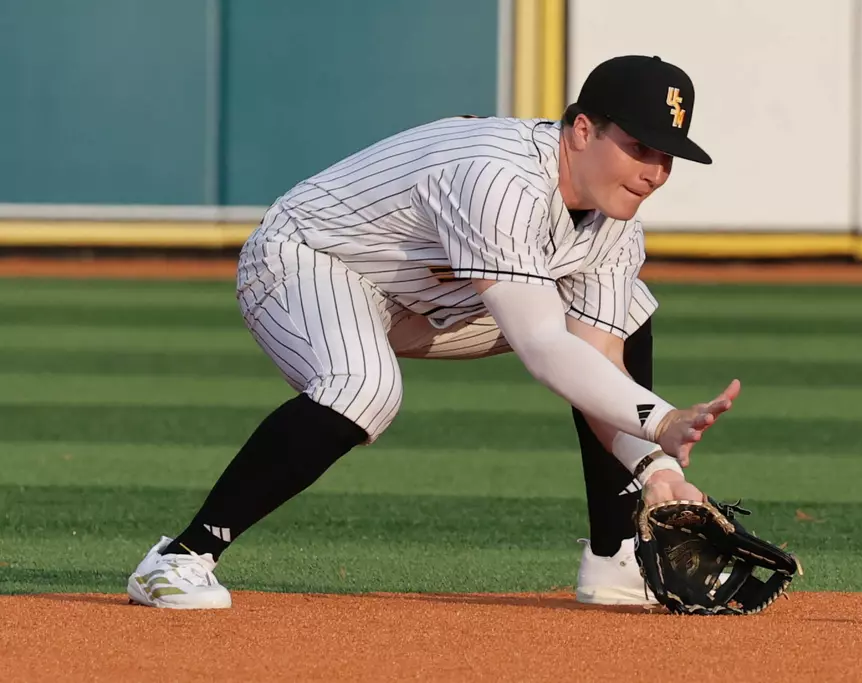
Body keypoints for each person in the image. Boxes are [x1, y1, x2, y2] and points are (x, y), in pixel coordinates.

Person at [126, 54, 739, 610]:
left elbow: (596, 361)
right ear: (583, 130)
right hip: (309, 262)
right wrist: (658, 421)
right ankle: (179, 558)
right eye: (640, 147)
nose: (654, 171)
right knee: (362, 389)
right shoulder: (500, 178)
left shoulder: (616, 224)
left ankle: (612, 560)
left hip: (430, 301)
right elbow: (544, 348)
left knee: (623, 313)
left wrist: (658, 472)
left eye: (667, 155)